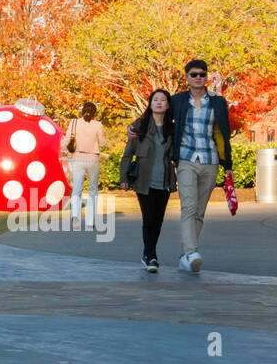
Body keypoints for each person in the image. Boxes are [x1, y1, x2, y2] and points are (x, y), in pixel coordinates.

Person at [169, 59, 232, 273]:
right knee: (189, 206)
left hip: (210, 160)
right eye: (194, 74)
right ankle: (191, 252)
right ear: (186, 78)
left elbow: (224, 132)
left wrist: (228, 164)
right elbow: (156, 116)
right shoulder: (177, 101)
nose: (198, 78)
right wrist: (135, 128)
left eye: (202, 74)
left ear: (207, 78)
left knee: (200, 211)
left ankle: (186, 256)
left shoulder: (217, 102)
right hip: (186, 158)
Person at [120, 89, 177, 272]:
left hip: (164, 181)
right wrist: (124, 178)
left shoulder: (172, 128)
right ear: (150, 104)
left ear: (168, 105)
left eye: (163, 100)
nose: (159, 102)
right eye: (155, 99)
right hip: (144, 180)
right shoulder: (140, 125)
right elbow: (128, 154)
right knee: (148, 218)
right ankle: (151, 256)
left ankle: (147, 254)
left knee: (158, 220)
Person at [67, 101, 106, 228]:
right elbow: (102, 143)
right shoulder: (98, 125)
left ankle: (75, 219)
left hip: (78, 158)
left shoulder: (74, 123)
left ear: (82, 111)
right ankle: (90, 221)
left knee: (77, 190)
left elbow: (67, 141)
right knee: (93, 191)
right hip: (93, 159)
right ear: (94, 112)